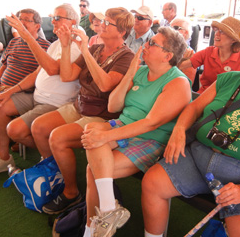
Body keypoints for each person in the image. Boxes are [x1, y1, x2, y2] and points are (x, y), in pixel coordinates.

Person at [141, 22, 240, 237]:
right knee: (152, 183)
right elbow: (194, 107)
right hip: (199, 157)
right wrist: (179, 131)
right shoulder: (228, 79)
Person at [81, 27, 192, 237]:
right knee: (91, 129)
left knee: (92, 169)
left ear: (168, 56)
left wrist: (106, 136)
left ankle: (92, 229)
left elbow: (150, 123)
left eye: (152, 44)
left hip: (150, 139)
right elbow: (113, 106)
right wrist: (131, 72)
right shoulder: (141, 72)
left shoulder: (178, 82)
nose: (145, 46)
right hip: (124, 128)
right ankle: (106, 211)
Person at [30, 7, 135, 215]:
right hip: (80, 105)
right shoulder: (97, 49)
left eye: (107, 23)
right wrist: (67, 46)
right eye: (102, 22)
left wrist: (85, 49)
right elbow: (67, 76)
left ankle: (71, 192)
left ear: (122, 32)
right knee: (39, 127)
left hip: (101, 114)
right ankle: (56, 175)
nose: (101, 25)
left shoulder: (126, 56)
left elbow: (105, 85)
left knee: (57, 138)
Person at [0, 4, 81, 178]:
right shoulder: (54, 45)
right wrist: (9, 91)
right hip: (36, 96)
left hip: (54, 102)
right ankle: (4, 158)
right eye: (53, 17)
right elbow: (36, 73)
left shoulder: (75, 46)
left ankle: (53, 159)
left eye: (58, 18)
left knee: (14, 130)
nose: (53, 21)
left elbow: (53, 69)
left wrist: (26, 36)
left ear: (73, 22)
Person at [0, 8, 50, 128]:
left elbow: (42, 75)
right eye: (19, 19)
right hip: (0, 87)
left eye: (26, 20)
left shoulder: (46, 47)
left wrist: (10, 91)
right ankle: (11, 132)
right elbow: (3, 66)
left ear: (37, 26)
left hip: (21, 92)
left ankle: (14, 133)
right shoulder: (13, 42)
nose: (21, 22)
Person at [179, 16, 240, 93]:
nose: (216, 34)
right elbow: (180, 65)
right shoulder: (208, 52)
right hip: (202, 97)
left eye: (222, 32)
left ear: (233, 39)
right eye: (217, 30)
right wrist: (182, 59)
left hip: (226, 101)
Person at [170, 17, 197, 83]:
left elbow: (187, 83)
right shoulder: (165, 49)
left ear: (186, 32)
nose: (170, 31)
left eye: (175, 28)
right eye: (170, 28)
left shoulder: (190, 54)